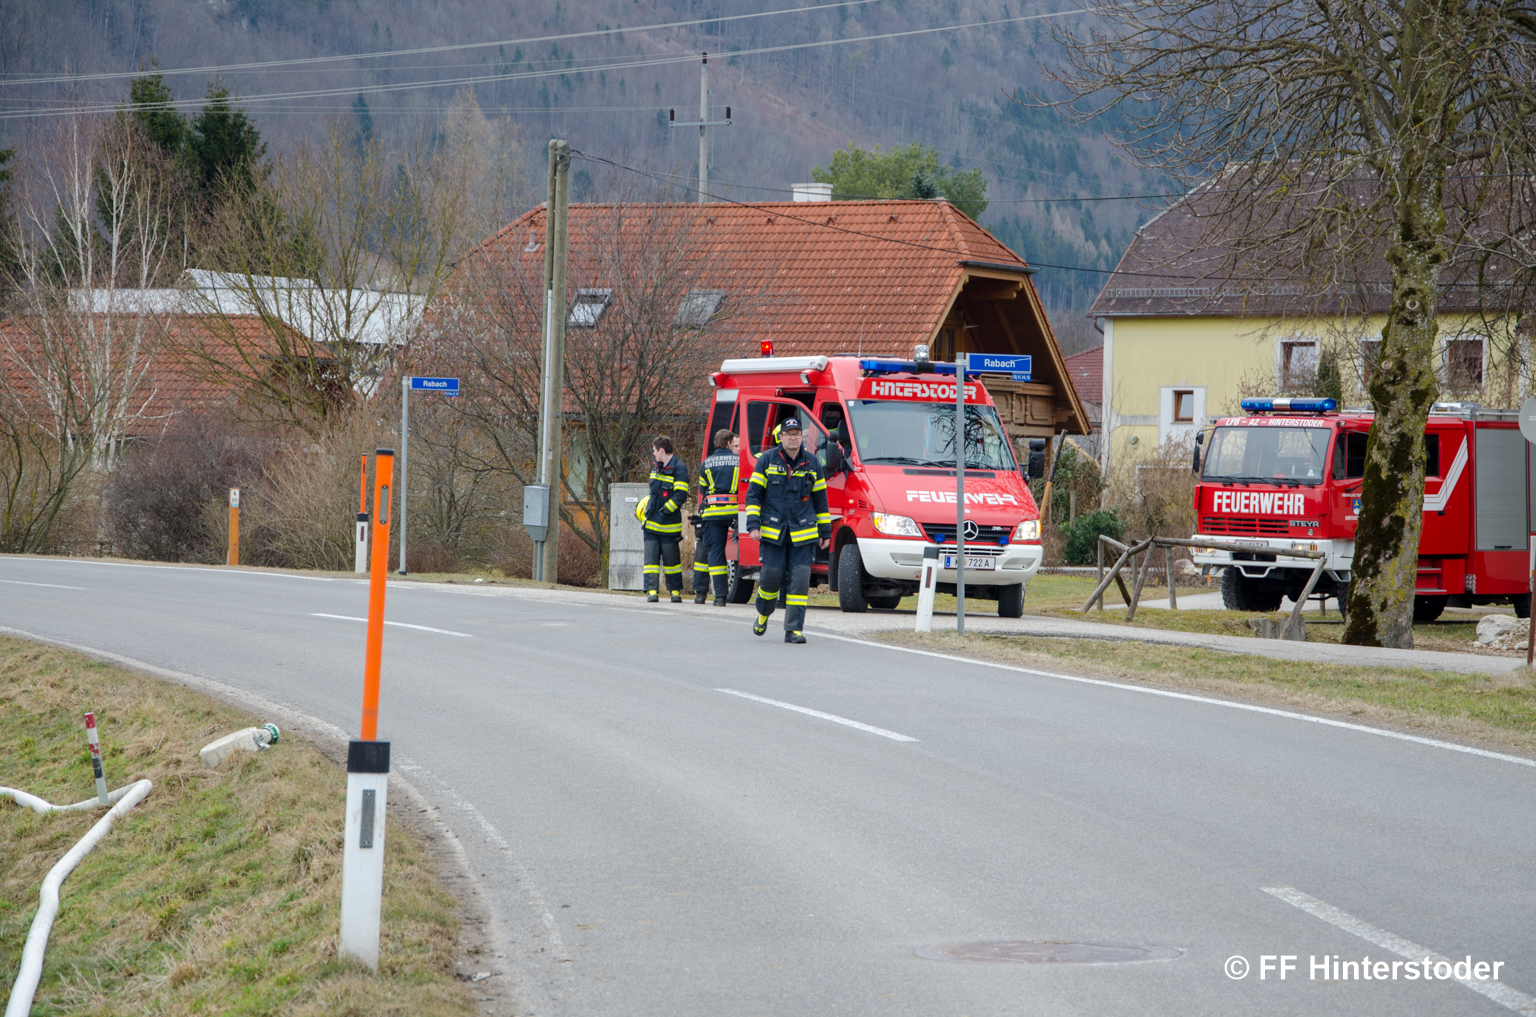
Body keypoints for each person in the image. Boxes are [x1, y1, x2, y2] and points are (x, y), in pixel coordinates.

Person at [744, 418, 830, 643]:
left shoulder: (813, 462)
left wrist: (825, 531)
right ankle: (763, 614)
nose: (793, 437)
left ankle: (794, 629)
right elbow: (753, 495)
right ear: (780, 437)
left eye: (797, 433)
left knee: (799, 581)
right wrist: (753, 524)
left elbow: (821, 500)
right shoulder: (767, 460)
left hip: (804, 534)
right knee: (771, 579)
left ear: (802, 437)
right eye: (789, 433)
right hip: (774, 534)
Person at [692, 429, 740, 605]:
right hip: (736, 513)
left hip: (713, 514)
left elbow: (703, 489)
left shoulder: (706, 463)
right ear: (728, 443)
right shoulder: (739, 461)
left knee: (716, 553)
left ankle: (720, 597)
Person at [643, 436, 690, 603]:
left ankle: (675, 592)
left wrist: (664, 511)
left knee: (672, 562)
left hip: (668, 525)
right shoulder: (655, 468)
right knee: (651, 561)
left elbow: (680, 496)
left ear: (661, 450)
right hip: (651, 525)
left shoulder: (679, 469)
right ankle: (652, 591)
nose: (653, 454)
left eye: (654, 451)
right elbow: (653, 494)